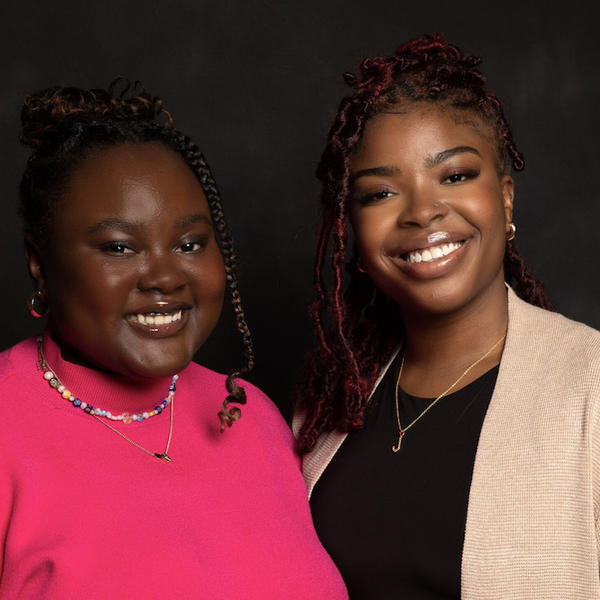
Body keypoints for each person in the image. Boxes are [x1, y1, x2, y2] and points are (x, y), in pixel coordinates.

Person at [0, 83, 347, 599]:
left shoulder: (252, 418)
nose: (165, 276)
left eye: (189, 244)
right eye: (119, 247)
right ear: (40, 265)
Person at [294, 34, 600, 599]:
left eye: (455, 176)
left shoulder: (590, 386)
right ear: (351, 234)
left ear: (505, 198)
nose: (422, 212)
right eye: (380, 193)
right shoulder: (328, 409)